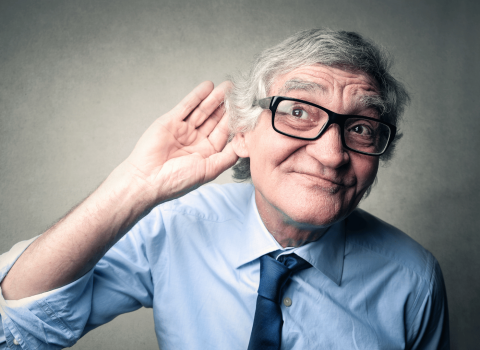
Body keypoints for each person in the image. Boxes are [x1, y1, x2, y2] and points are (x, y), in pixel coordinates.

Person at [0, 29, 449, 349]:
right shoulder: (174, 225)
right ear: (242, 133)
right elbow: (19, 328)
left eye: (363, 128)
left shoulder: (414, 278)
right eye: (297, 112)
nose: (332, 154)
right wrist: (135, 186)